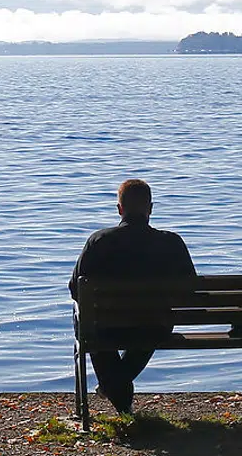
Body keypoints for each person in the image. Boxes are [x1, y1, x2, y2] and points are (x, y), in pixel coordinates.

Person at [69, 178, 196, 415]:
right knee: (151, 324)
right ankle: (117, 392)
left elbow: (75, 289)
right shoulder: (171, 243)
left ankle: (118, 396)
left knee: (88, 324)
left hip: (107, 327)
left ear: (119, 209)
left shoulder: (99, 241)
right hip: (154, 326)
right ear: (150, 209)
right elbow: (190, 289)